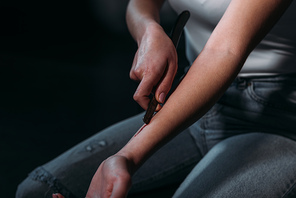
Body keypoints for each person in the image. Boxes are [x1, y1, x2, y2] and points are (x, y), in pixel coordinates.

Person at [16, 0, 296, 197]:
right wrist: (149, 30)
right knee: (38, 191)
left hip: (278, 122)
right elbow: (139, 3)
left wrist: (127, 156)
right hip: (200, 107)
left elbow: (224, 51)